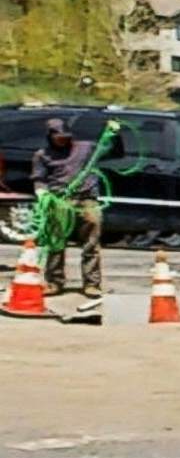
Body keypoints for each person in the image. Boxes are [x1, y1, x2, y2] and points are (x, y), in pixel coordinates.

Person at [29, 117, 115, 326]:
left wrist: (114, 135)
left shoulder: (86, 149)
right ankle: (55, 282)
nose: (62, 141)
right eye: (58, 138)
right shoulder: (42, 155)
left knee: (91, 242)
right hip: (59, 200)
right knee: (56, 243)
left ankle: (92, 284)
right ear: (51, 137)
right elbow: (38, 177)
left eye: (65, 137)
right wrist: (41, 192)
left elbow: (112, 150)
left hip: (87, 199)